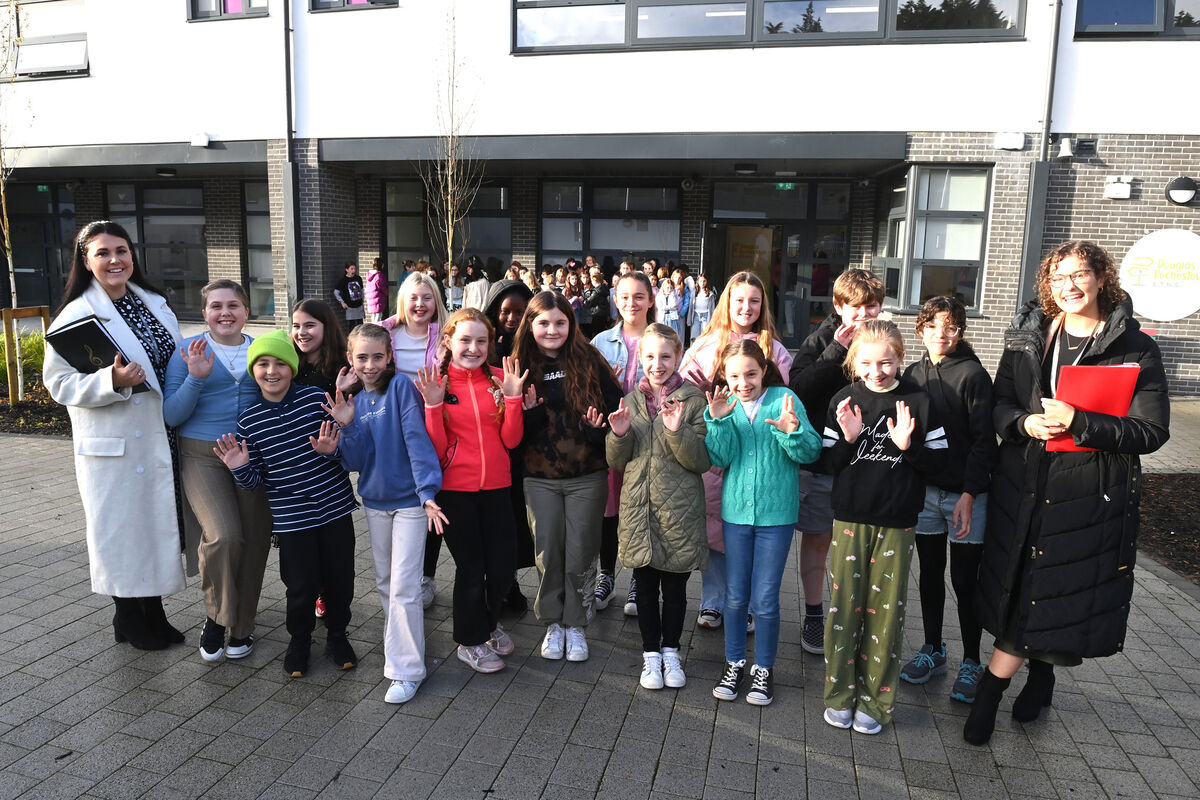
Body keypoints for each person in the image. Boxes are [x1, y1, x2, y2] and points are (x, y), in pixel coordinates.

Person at [964, 241, 1170, 746]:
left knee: (1053, 588)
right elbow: (1000, 403)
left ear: (1102, 278)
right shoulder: (1027, 338)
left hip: (1088, 494)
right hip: (1025, 483)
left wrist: (1081, 421)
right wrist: (1021, 421)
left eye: (1081, 275)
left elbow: (1151, 431)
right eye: (1059, 278)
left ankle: (994, 690)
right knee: (1021, 582)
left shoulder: (1135, 347)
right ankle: (1042, 675)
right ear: (1048, 285)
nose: (1070, 286)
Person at [44, 220, 187, 651]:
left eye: (121, 251)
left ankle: (153, 611)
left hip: (161, 433)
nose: (114, 260)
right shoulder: (76, 315)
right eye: (103, 253)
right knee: (124, 532)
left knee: (155, 527)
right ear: (85, 261)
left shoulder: (155, 303)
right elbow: (59, 385)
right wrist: (112, 380)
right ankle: (128, 616)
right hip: (116, 441)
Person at [821, 319, 947, 735]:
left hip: (896, 523)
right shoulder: (843, 400)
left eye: (887, 362)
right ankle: (840, 696)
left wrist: (908, 449)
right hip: (850, 520)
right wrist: (849, 439)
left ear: (900, 360)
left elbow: (941, 467)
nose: (877, 371)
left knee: (886, 616)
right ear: (854, 361)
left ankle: (875, 702)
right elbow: (825, 464)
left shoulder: (919, 402)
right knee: (843, 609)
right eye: (868, 363)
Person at [213, 330, 359, 679]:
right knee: (300, 585)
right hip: (293, 522)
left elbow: (344, 452)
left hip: (335, 511)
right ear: (254, 371)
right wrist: (239, 468)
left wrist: (334, 449)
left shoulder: (314, 400)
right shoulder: (250, 420)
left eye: (280, 362)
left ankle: (338, 636)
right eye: (262, 363)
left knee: (341, 579)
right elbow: (255, 483)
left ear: (292, 368)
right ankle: (299, 641)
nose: (271, 370)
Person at [323, 324, 444, 704]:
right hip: (375, 503)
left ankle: (406, 670)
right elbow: (356, 460)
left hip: (410, 502)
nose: (370, 365)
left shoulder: (401, 388)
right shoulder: (353, 400)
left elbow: (416, 440)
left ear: (390, 356)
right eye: (362, 357)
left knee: (406, 586)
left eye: (377, 356)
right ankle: (402, 650)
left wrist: (427, 494)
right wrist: (346, 424)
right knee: (386, 583)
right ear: (350, 359)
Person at [706, 340, 820, 706]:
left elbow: (811, 450)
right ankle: (735, 662)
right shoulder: (728, 404)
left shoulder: (783, 398)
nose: (743, 382)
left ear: (764, 369)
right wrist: (720, 420)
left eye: (751, 373)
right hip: (736, 513)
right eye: (735, 375)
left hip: (776, 515)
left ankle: (764, 669)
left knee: (767, 598)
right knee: (736, 596)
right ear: (725, 375)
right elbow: (719, 457)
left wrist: (792, 431)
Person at [163, 280, 272, 663]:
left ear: (246, 310)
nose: (224, 313)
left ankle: (242, 627)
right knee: (224, 536)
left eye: (233, 305)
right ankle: (215, 617)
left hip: (251, 455)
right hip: (203, 454)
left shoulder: (262, 348)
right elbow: (172, 415)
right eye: (215, 306)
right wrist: (196, 377)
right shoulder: (186, 351)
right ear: (205, 312)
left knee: (255, 541)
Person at [414, 310, 527, 673]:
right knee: (471, 567)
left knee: (503, 566)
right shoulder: (438, 383)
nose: (473, 348)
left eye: (481, 341)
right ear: (448, 342)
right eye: (465, 340)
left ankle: (489, 623)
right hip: (455, 492)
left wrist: (512, 399)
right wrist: (433, 405)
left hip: (497, 487)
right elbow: (436, 446)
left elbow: (511, 439)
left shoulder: (499, 380)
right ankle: (470, 641)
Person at [681, 271, 793, 635]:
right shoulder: (707, 343)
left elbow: (782, 397)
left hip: (757, 455)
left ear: (764, 306)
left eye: (754, 301)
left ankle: (742, 605)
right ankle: (713, 600)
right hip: (716, 451)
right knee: (716, 531)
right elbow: (685, 387)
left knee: (747, 534)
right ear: (726, 301)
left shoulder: (774, 349)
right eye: (739, 299)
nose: (746, 307)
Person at [513, 291, 623, 663]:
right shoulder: (518, 364)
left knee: (580, 552)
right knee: (547, 553)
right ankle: (552, 623)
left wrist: (597, 429)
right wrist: (526, 414)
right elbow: (510, 432)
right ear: (530, 325)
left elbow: (616, 412)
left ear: (571, 324)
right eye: (543, 322)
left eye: (560, 322)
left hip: (586, 475)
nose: (552, 330)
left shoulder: (589, 358)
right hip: (539, 477)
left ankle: (576, 624)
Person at [898, 297, 997, 703]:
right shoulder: (912, 373)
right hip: (925, 494)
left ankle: (972, 660)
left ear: (961, 331)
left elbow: (983, 442)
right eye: (934, 326)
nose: (942, 334)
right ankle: (934, 648)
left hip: (965, 495)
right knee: (931, 574)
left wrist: (970, 494)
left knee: (965, 581)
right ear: (921, 329)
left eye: (951, 327)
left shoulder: (973, 375)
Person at [606, 324, 709, 690]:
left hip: (678, 513)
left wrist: (676, 430)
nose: (657, 363)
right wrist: (618, 435)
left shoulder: (694, 400)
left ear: (678, 357)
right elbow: (618, 461)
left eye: (666, 356)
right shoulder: (631, 401)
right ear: (640, 357)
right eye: (649, 356)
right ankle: (650, 655)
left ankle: (671, 651)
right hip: (638, 509)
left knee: (676, 591)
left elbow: (700, 460)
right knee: (645, 588)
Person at [788, 268, 884, 657]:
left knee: (846, 543)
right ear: (840, 306)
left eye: (872, 306)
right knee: (808, 538)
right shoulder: (821, 339)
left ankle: (842, 615)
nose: (863, 314)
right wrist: (836, 354)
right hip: (820, 463)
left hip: (863, 465)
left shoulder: (883, 340)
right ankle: (807, 612)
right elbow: (797, 390)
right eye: (855, 307)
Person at [382, 271, 449, 608]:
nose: (420, 305)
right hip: (392, 431)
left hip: (434, 428)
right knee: (402, 501)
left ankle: (426, 577)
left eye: (427, 298)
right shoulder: (384, 333)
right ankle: (398, 572)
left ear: (435, 302)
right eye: (414, 298)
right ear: (403, 302)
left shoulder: (445, 336)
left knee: (430, 499)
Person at [591, 272, 655, 617]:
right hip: (611, 439)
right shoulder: (600, 342)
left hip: (646, 441)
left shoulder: (662, 339)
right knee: (609, 510)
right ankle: (606, 574)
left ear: (651, 299)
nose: (632, 303)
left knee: (639, 509)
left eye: (639, 296)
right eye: (625, 296)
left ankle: (637, 578)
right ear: (616, 300)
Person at [483, 279, 536, 612]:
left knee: (517, 521)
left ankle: (510, 580)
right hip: (491, 449)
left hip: (524, 448)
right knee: (495, 522)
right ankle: (499, 584)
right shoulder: (486, 346)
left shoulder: (533, 347)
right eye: (506, 311)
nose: (513, 318)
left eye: (520, 311)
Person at [291, 299, 348, 398]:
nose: (301, 332)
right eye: (296, 326)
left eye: (309, 325)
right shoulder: (287, 364)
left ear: (327, 328)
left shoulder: (344, 368)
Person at [333, 262, 364, 334]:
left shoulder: (358, 278)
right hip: (350, 306)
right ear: (347, 270)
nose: (353, 271)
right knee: (352, 326)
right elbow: (336, 292)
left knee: (361, 326)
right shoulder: (343, 280)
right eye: (351, 269)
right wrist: (342, 302)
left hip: (359, 305)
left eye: (354, 269)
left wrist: (362, 301)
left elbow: (361, 290)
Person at [583, 267, 612, 338]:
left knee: (595, 332)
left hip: (596, 313)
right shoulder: (604, 288)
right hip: (603, 313)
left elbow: (589, 301)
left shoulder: (596, 291)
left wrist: (583, 301)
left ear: (594, 280)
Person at [689, 273, 715, 342]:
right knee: (694, 336)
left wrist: (712, 321)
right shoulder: (694, 293)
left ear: (707, 282)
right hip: (696, 315)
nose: (702, 283)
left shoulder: (710, 294)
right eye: (700, 281)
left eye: (704, 281)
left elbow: (712, 308)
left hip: (706, 316)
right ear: (698, 282)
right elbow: (691, 307)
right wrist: (689, 319)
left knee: (704, 336)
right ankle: (694, 351)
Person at [364, 257, 388, 324]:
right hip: (378, 299)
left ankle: (372, 332)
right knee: (378, 319)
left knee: (373, 318)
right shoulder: (379, 275)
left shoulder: (370, 276)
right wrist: (387, 292)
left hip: (371, 300)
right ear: (381, 265)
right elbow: (382, 287)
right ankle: (376, 333)